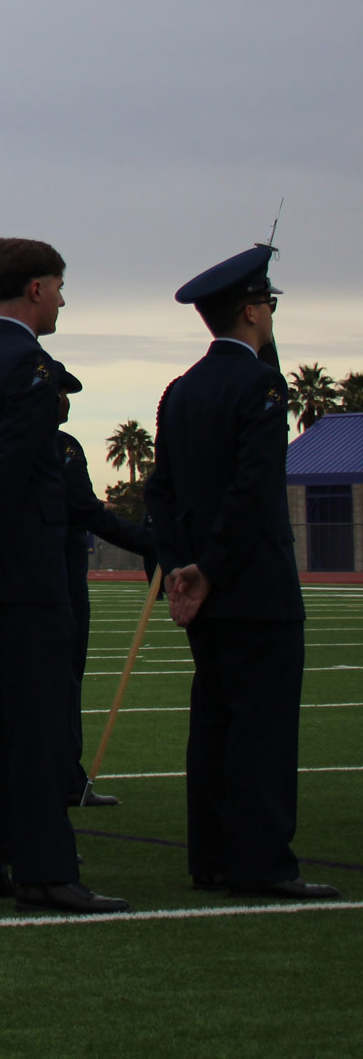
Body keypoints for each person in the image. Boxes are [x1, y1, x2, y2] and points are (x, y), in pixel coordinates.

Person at [0, 237, 127, 913]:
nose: (63, 301)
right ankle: (46, 871)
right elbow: (11, 476)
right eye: (60, 287)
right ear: (38, 288)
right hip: (23, 573)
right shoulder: (30, 368)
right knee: (40, 727)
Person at [150, 244, 339, 901]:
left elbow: (161, 492)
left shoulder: (181, 390)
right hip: (253, 586)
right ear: (254, 311)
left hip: (203, 592)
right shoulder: (259, 386)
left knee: (214, 722)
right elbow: (253, 488)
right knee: (262, 729)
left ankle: (212, 856)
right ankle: (262, 863)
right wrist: (210, 568)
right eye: (268, 304)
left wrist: (179, 565)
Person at [56, 372, 154, 805]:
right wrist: (151, 542)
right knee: (65, 678)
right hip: (60, 578)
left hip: (38, 577)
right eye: (61, 393)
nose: (66, 402)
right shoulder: (61, 447)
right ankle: (64, 776)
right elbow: (87, 511)